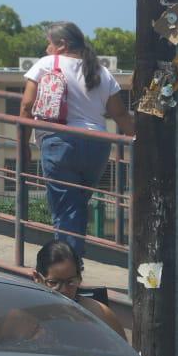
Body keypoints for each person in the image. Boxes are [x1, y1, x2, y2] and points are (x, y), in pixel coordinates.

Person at [19, 22, 134, 258]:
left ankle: (67, 270)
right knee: (77, 206)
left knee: (66, 210)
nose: (47, 47)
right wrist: (139, 141)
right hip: (97, 146)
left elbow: (26, 106)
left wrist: (22, 144)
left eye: (50, 43)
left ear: (62, 45)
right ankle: (74, 262)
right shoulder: (102, 72)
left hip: (60, 142)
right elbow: (120, 113)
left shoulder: (47, 63)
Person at [33, 239, 126, 340]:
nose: (64, 290)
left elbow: (124, 354)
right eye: (54, 283)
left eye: (70, 282)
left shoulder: (100, 315)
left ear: (80, 278)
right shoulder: (24, 317)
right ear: (37, 278)